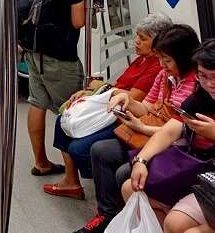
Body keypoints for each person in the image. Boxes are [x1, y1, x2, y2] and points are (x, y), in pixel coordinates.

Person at [74, 24, 201, 233]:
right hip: (151, 133)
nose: (162, 65)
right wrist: (127, 99)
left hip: (175, 145)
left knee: (125, 173)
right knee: (100, 150)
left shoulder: (196, 85)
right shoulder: (164, 76)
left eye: (167, 60)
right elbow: (148, 106)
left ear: (184, 57)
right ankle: (106, 214)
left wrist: (141, 127)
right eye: (160, 59)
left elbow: (182, 132)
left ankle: (135, 220)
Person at [45, 14, 172, 201]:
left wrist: (101, 91)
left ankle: (106, 198)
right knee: (63, 119)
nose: (136, 42)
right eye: (137, 36)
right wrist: (92, 92)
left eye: (143, 38)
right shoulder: (141, 59)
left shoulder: (156, 67)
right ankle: (71, 181)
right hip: (113, 106)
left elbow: (134, 98)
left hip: (123, 115)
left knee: (80, 147)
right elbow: (119, 86)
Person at [120, 39, 215, 232]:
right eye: (203, 76)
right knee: (130, 188)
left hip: (210, 174)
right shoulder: (199, 98)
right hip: (196, 166)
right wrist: (141, 161)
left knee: (176, 223)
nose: (209, 84)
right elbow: (170, 130)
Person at [26, 0, 101, 178]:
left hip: (34, 49)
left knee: (37, 103)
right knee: (70, 109)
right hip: (59, 55)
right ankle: (71, 178)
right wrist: (93, 12)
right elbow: (78, 21)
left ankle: (41, 162)